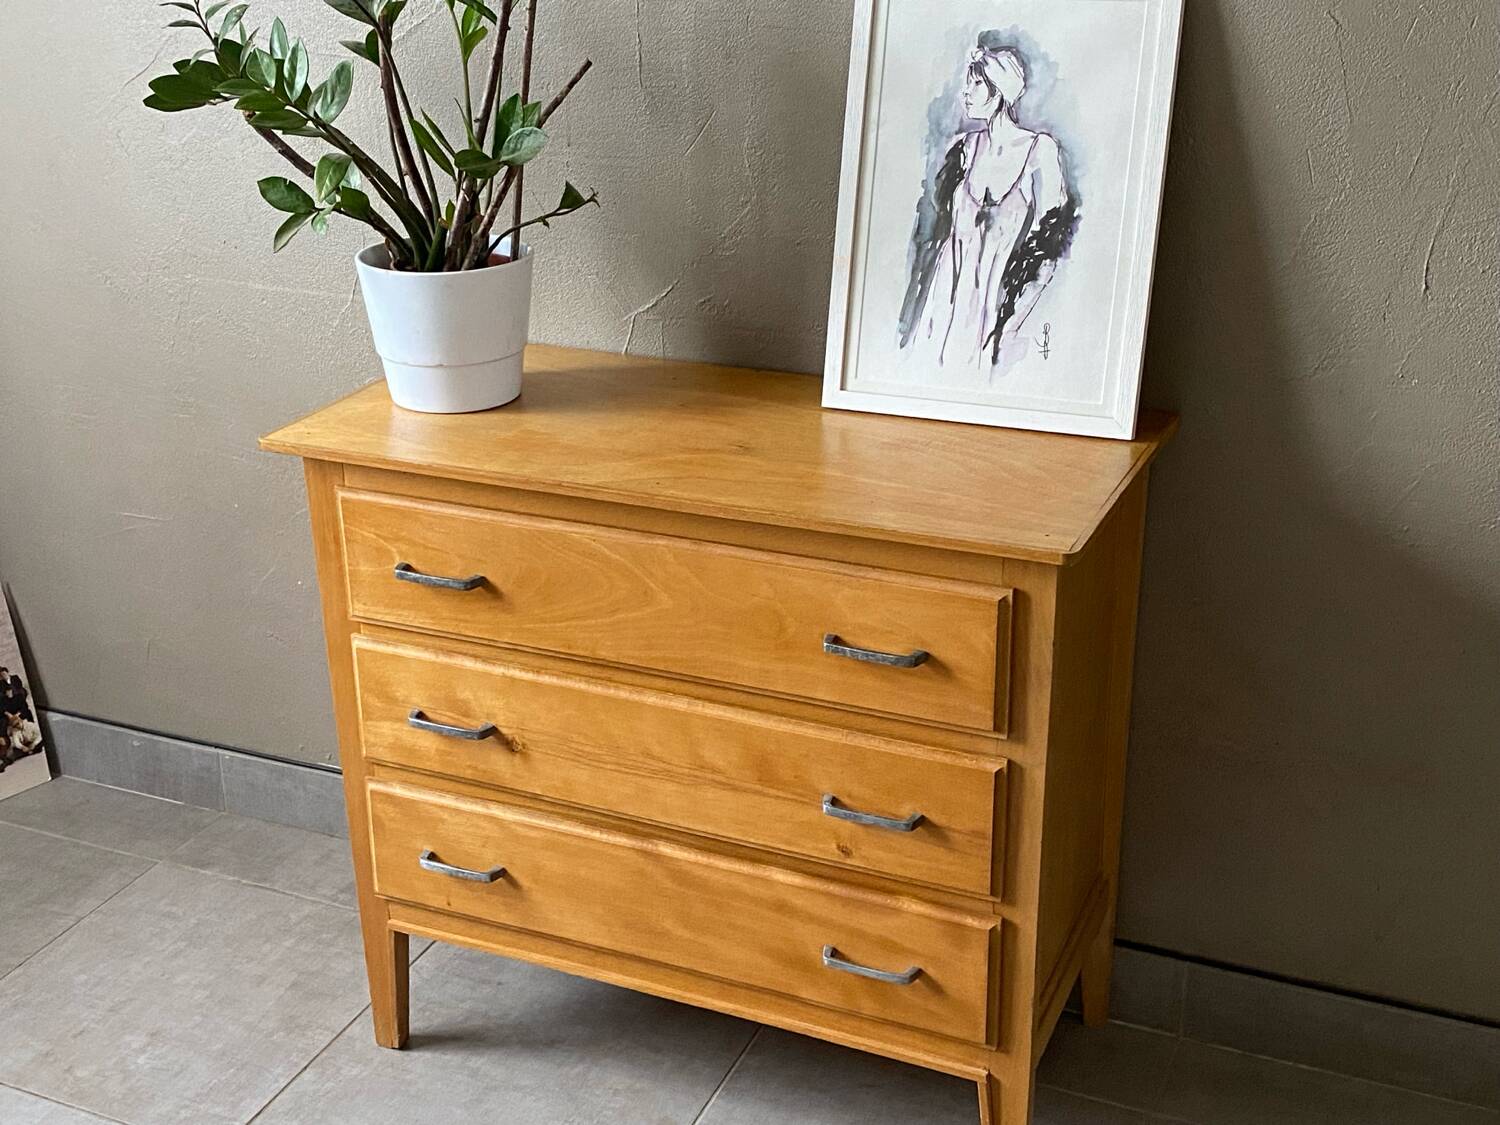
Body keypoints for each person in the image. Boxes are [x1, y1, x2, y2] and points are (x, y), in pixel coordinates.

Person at [899, 32, 1079, 375]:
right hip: (943, 306)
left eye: (977, 83)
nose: (965, 92)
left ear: (1000, 91)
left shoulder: (1040, 151)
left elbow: (1049, 247)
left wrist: (1010, 324)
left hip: (996, 312)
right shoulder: (964, 147)